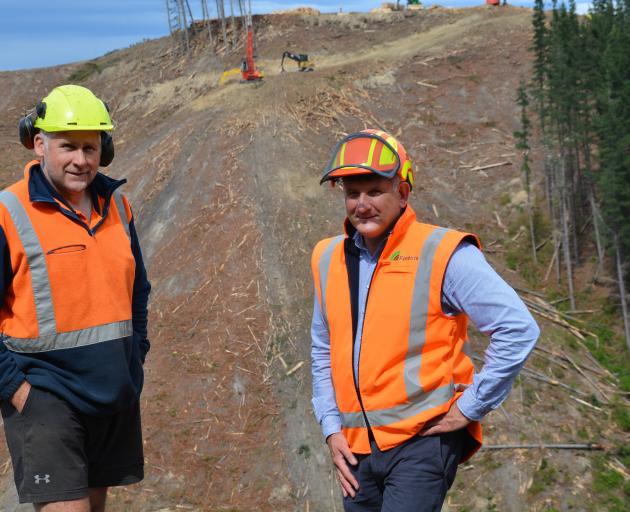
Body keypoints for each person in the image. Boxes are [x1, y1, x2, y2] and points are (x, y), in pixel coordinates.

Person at [310, 129, 539, 511]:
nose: (362, 204)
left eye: (374, 191)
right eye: (352, 193)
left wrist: (468, 408)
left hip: (421, 442)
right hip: (355, 449)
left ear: (402, 193)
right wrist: (331, 427)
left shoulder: (444, 252)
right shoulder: (326, 258)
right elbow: (323, 348)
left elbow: (517, 328)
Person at [0, 84, 151, 511]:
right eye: (68, 146)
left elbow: (138, 289)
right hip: (46, 398)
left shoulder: (118, 207)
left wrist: (136, 352)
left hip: (112, 391)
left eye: (91, 146)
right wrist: (17, 390)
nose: (81, 160)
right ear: (39, 144)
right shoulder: (8, 213)